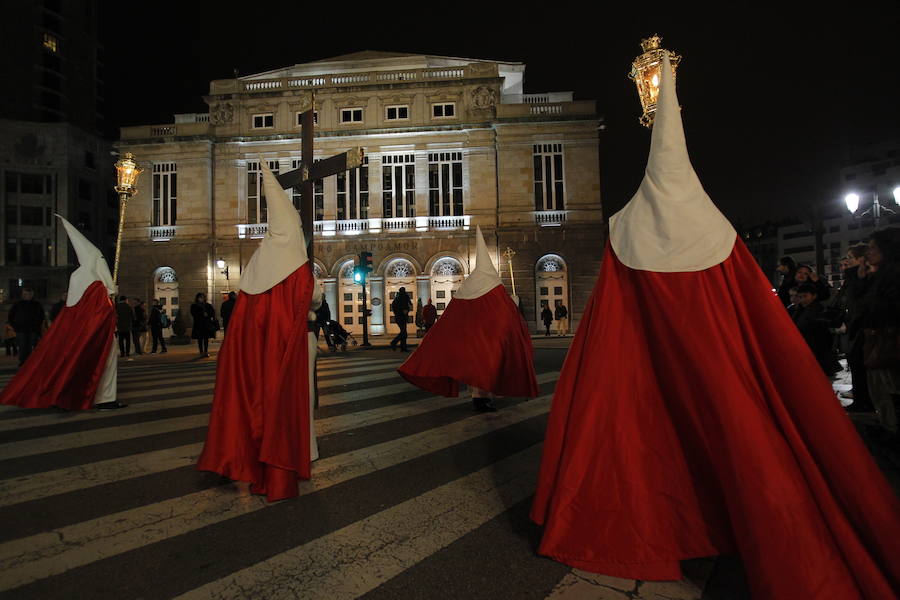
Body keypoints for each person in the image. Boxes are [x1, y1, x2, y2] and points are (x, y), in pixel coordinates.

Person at [531, 56, 900, 599]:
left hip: (645, 369)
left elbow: (610, 327)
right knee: (743, 443)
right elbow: (755, 318)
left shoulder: (625, 230)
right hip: (719, 366)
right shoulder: (717, 231)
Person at [197, 161, 318, 502]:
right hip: (287, 352)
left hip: (253, 355)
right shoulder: (298, 268)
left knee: (254, 405)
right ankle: (279, 473)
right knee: (284, 410)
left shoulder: (254, 266)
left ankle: (248, 467)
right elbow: (311, 301)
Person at [398, 226, 539, 412]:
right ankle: (482, 399)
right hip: (485, 341)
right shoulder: (493, 294)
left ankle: (480, 398)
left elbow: (455, 319)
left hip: (475, 340)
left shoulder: (469, 292)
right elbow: (506, 320)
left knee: (478, 369)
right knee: (484, 369)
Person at [0, 216, 121, 410]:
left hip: (86, 331)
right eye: (99, 260)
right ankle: (94, 398)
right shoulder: (90, 279)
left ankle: (91, 397)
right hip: (94, 332)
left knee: (80, 363)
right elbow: (95, 309)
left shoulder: (80, 276)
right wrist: (108, 297)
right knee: (95, 364)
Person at [851, 227, 900, 434]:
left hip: (889, 341)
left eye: (872, 248)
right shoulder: (879, 275)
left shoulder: (893, 274)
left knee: (891, 390)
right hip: (880, 339)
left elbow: (884, 307)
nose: (868, 252)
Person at [840, 244, 873, 411]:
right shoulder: (853, 276)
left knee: (861, 365)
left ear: (862, 259)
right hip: (856, 324)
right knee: (856, 365)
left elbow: (857, 301)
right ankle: (862, 400)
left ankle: (864, 401)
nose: (848, 261)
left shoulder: (863, 276)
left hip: (863, 326)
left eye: (851, 258)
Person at [791, 282, 836, 377]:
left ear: (814, 296)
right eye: (800, 297)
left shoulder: (816, 310)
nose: (802, 299)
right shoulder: (800, 309)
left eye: (805, 296)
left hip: (816, 352)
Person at [8, 287, 46, 366]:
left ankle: (33, 361)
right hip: (21, 329)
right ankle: (23, 362)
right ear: (22, 294)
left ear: (32, 295)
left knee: (33, 346)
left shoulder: (37, 304)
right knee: (22, 346)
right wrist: (15, 326)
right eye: (25, 294)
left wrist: (37, 325)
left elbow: (41, 316)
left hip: (33, 329)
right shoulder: (17, 304)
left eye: (29, 294)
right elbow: (11, 316)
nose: (27, 296)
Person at [190, 292, 216, 357]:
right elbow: (193, 314)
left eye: (202, 297)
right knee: (200, 339)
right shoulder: (194, 306)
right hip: (198, 325)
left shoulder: (207, 305)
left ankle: (206, 351)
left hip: (206, 324)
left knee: (206, 339)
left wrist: (208, 315)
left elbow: (212, 313)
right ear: (197, 298)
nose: (201, 299)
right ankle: (201, 352)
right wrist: (201, 313)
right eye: (200, 297)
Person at [390, 287, 412, 351]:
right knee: (404, 332)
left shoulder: (397, 298)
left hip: (399, 317)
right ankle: (394, 342)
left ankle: (402, 347)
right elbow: (409, 304)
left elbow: (394, 307)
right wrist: (404, 310)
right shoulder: (403, 297)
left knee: (404, 332)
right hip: (401, 317)